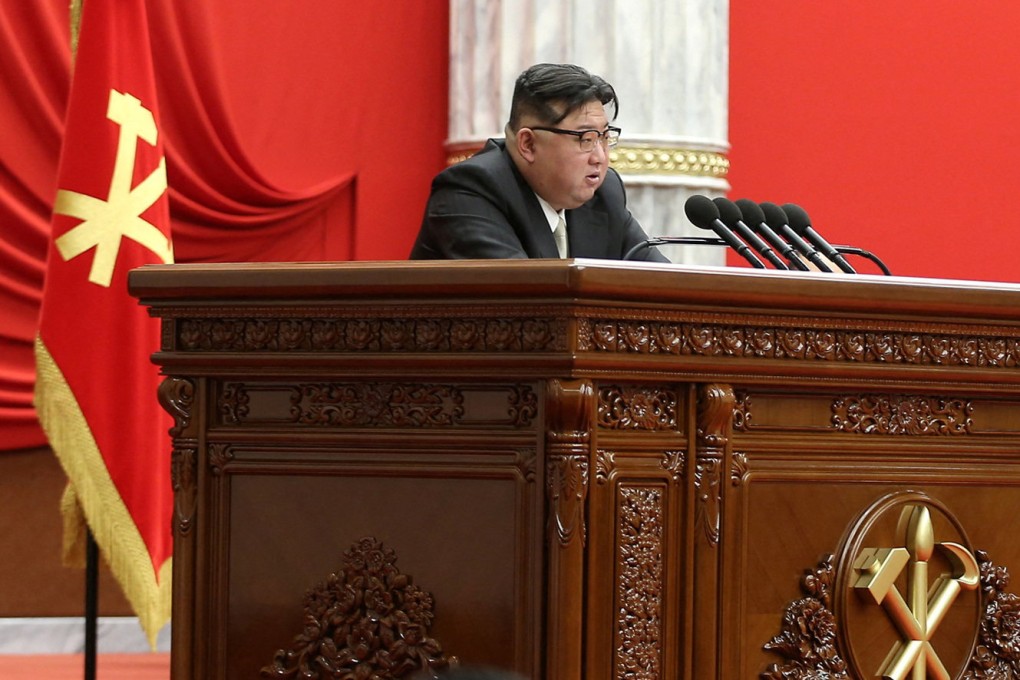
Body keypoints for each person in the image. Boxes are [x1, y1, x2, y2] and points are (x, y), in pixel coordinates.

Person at [410, 63, 669, 262]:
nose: (600, 157)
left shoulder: (605, 193)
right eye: (584, 139)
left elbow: (661, 283)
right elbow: (528, 301)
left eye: (603, 137)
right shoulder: (469, 191)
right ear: (528, 145)